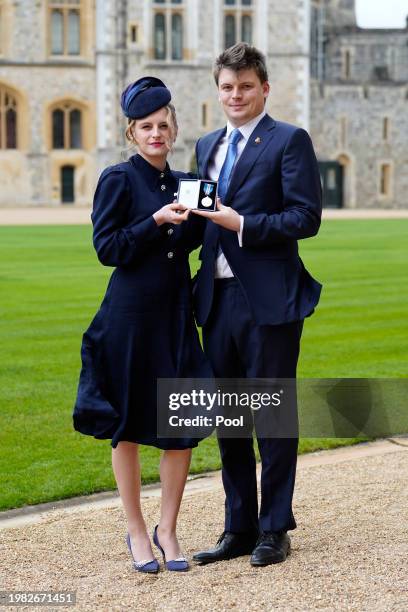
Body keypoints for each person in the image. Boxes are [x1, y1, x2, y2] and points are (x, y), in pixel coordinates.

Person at [190, 43, 322, 567]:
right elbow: (205, 220)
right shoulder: (205, 145)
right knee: (231, 421)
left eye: (246, 86)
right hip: (216, 299)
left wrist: (241, 223)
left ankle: (274, 529)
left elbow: (305, 217)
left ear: (264, 88)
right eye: (227, 87)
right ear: (217, 90)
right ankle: (237, 527)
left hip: (268, 301)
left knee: (271, 418)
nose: (236, 95)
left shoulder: (289, 140)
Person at [73, 77, 211, 573]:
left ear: (174, 130)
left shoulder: (189, 182)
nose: (156, 134)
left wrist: (206, 213)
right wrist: (153, 221)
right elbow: (107, 249)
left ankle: (168, 529)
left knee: (183, 427)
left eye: (164, 126)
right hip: (128, 318)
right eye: (146, 127)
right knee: (128, 428)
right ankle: (136, 530)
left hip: (175, 316)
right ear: (131, 132)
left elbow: (199, 240)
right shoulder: (116, 178)